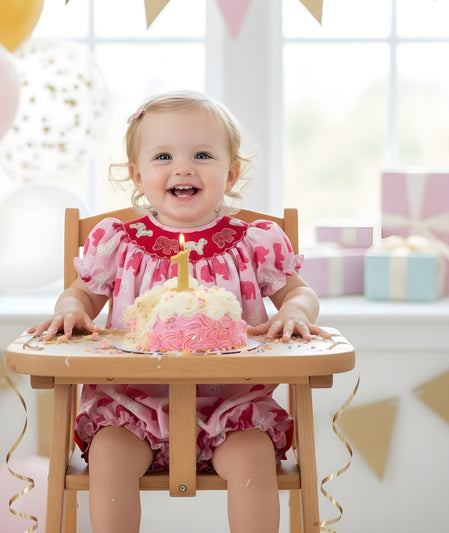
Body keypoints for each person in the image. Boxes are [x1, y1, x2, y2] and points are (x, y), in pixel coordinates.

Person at [28, 90, 325, 533]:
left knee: (254, 459)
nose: (183, 168)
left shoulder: (254, 242)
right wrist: (70, 310)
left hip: (232, 405)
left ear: (232, 172)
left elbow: (299, 294)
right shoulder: (119, 243)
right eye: (163, 156)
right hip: (131, 405)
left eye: (202, 155)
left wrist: (295, 313)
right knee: (108, 455)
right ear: (137, 174)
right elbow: (81, 296)